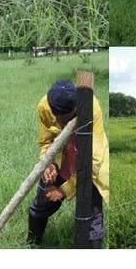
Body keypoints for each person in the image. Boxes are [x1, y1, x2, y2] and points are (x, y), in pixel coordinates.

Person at [28, 80, 109, 248]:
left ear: (76, 109)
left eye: (68, 120)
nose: (63, 125)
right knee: (40, 207)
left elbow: (95, 160)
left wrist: (64, 190)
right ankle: (32, 245)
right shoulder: (44, 106)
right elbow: (45, 143)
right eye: (59, 120)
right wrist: (47, 164)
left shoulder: (90, 107)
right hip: (62, 160)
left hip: (89, 165)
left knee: (92, 219)